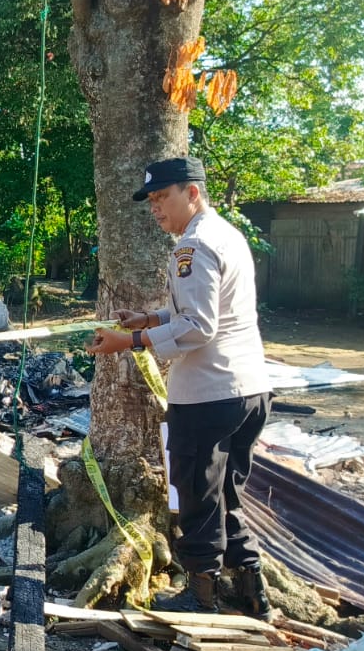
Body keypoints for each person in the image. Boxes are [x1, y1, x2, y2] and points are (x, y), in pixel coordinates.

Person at [85, 156, 274, 617]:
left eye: (163, 197)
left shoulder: (191, 248)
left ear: (192, 192)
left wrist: (130, 341)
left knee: (196, 492)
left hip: (209, 392)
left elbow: (200, 326)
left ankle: (203, 593)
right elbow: (206, 310)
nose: (156, 209)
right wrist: (151, 318)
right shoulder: (227, 235)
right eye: (151, 200)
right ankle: (251, 588)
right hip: (249, 388)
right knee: (228, 490)